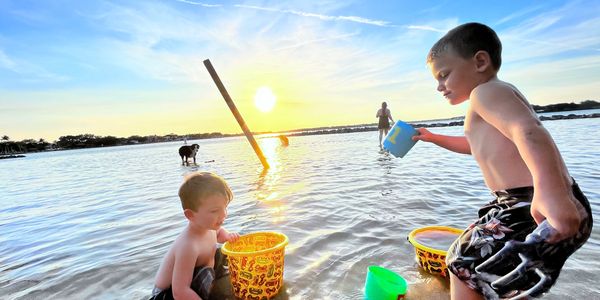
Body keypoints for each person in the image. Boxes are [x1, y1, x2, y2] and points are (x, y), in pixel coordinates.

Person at [413, 22, 593, 300]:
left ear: (480, 62)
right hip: (526, 202)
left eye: (444, 75)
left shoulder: (485, 93)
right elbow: (476, 147)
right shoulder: (488, 99)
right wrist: (434, 137)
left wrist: (552, 191)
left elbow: (529, 130)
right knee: (505, 280)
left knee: (461, 261)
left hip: (532, 202)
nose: (439, 86)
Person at [150, 172, 240, 300]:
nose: (223, 214)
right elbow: (180, 292)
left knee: (222, 254)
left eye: (224, 207)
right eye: (214, 211)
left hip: (197, 276)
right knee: (207, 272)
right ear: (191, 215)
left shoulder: (210, 227)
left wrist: (228, 236)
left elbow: (219, 233)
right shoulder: (188, 246)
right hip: (167, 295)